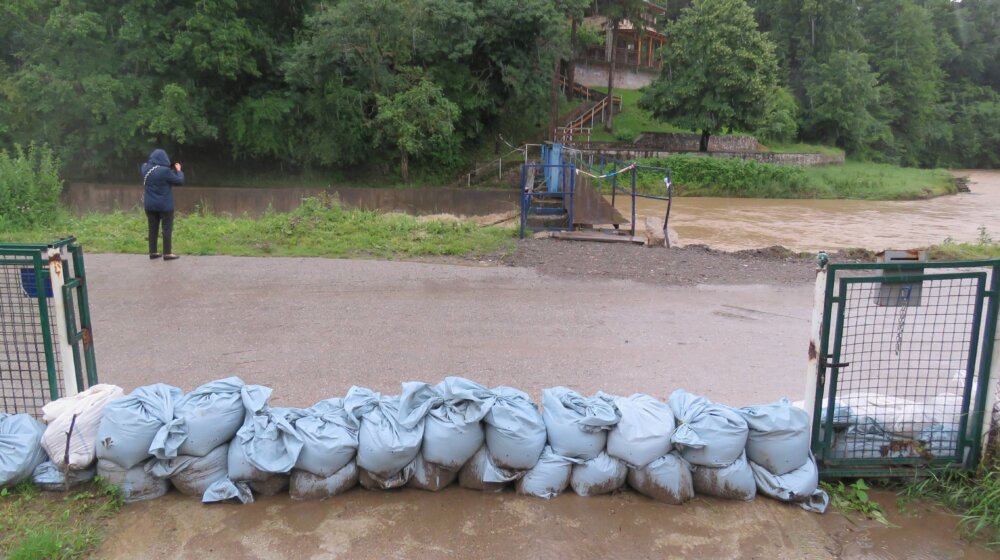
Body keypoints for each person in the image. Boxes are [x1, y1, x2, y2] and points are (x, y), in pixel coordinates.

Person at [140, 148, 184, 260]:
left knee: (152, 228)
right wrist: (178, 170)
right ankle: (167, 253)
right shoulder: (165, 171)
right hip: (164, 206)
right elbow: (179, 181)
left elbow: (155, 172)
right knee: (166, 228)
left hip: (149, 205)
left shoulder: (144, 168)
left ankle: (153, 252)